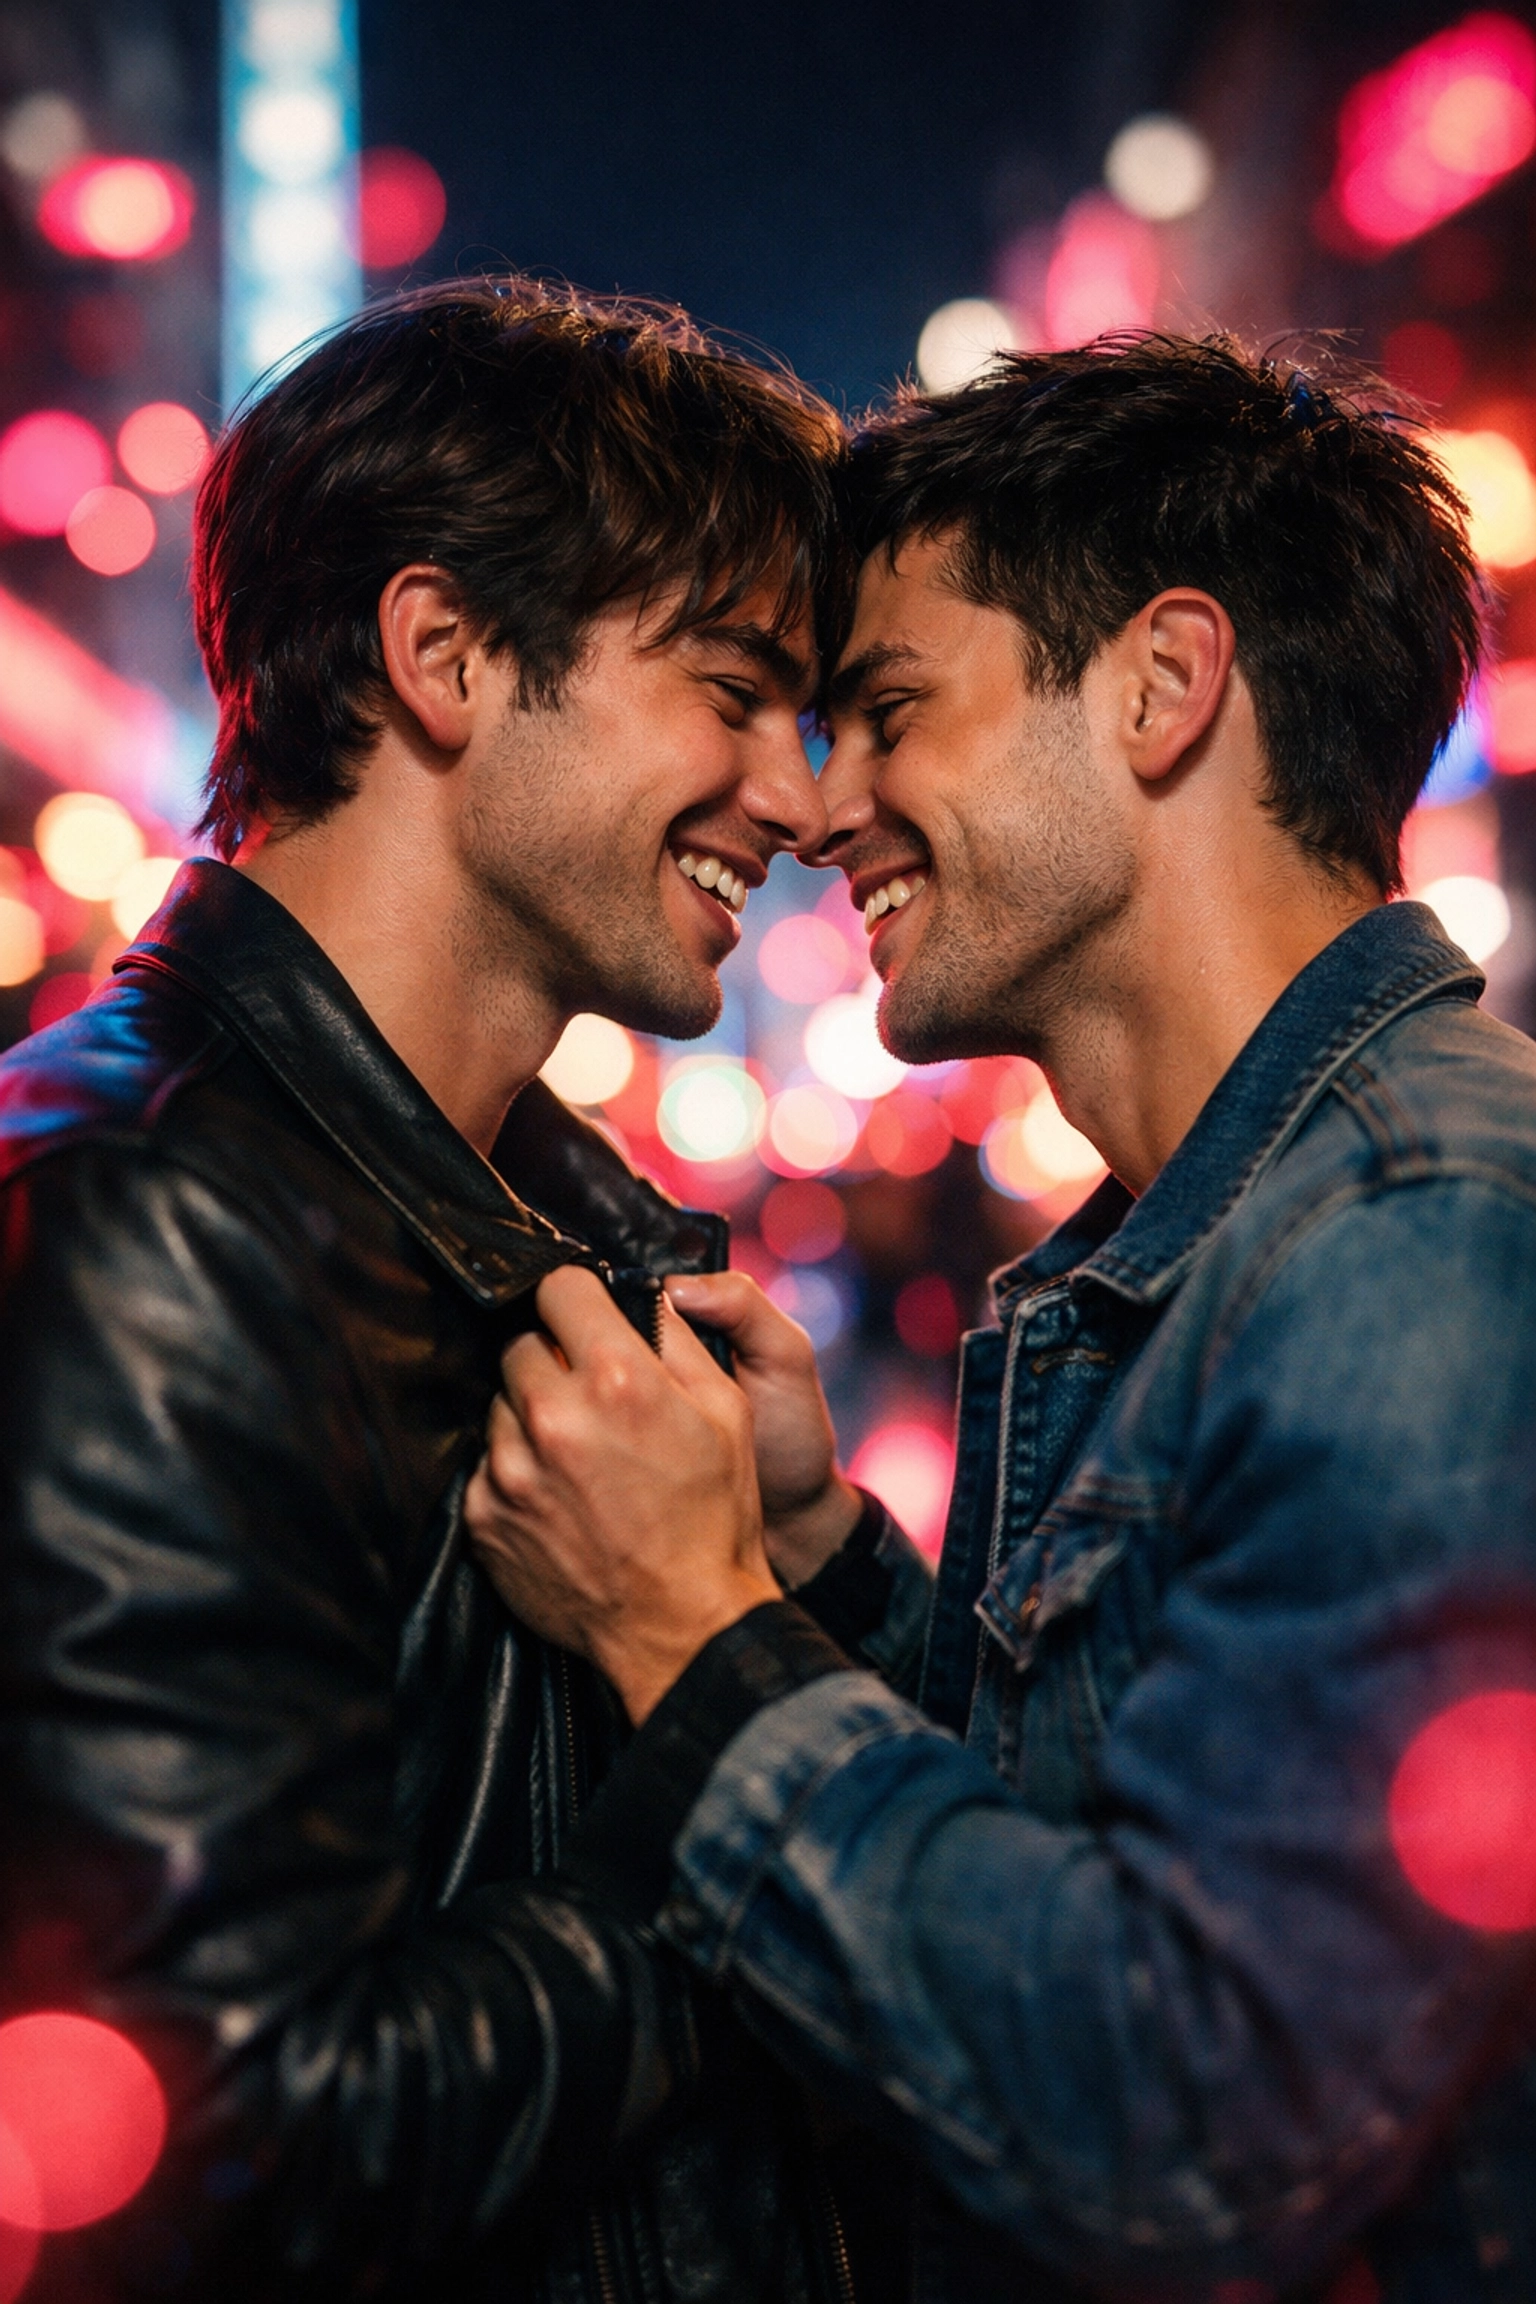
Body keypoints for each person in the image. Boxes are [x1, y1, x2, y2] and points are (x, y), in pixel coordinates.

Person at [464, 337, 1536, 2301]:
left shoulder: (1416, 1235)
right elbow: (1109, 1829)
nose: (815, 801)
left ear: (1160, 684)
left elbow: (1189, 2121)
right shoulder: (1222, 1236)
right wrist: (814, 1564)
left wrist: (687, 1640)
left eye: (887, 710)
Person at [0, 279, 913, 2304]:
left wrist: (807, 1573)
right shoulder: (154, 1224)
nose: (801, 798)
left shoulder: (547, 1232)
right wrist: (737, 1774)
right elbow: (222, 2139)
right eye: (735, 687)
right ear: (445, 656)